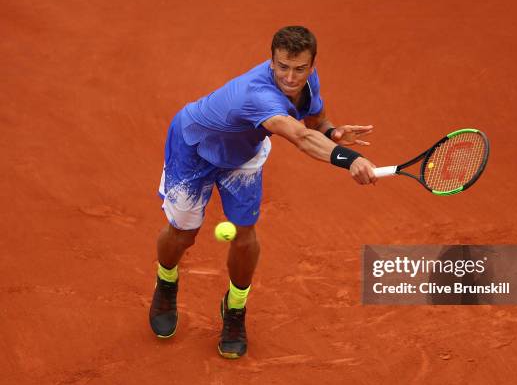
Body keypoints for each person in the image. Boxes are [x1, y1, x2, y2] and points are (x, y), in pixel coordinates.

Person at [149, 25, 377, 359]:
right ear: (271, 62)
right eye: (282, 67)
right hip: (194, 147)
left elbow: (314, 123)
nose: (290, 76)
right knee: (183, 235)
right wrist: (349, 159)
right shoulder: (257, 94)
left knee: (245, 234)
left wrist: (333, 132)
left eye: (300, 69)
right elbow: (298, 136)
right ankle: (166, 281)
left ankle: (235, 308)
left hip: (242, 156)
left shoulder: (307, 82)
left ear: (312, 66)